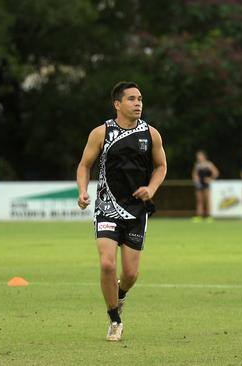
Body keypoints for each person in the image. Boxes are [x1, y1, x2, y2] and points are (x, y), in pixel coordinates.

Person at [76, 81, 167, 342]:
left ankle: (121, 294)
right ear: (118, 104)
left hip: (137, 211)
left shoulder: (151, 134)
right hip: (107, 207)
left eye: (140, 99)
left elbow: (161, 167)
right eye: (131, 99)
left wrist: (152, 187)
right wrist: (83, 190)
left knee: (129, 274)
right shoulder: (101, 133)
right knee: (106, 263)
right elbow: (84, 165)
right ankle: (114, 319)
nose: (138, 103)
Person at [191, 150, 219, 223]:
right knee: (199, 200)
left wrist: (210, 179)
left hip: (206, 184)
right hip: (199, 184)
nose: (199, 158)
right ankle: (199, 216)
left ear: (204, 156)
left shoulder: (209, 164)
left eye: (200, 156)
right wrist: (196, 179)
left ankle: (208, 216)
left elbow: (216, 173)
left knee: (207, 200)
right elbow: (194, 174)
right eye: (198, 156)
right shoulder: (197, 165)